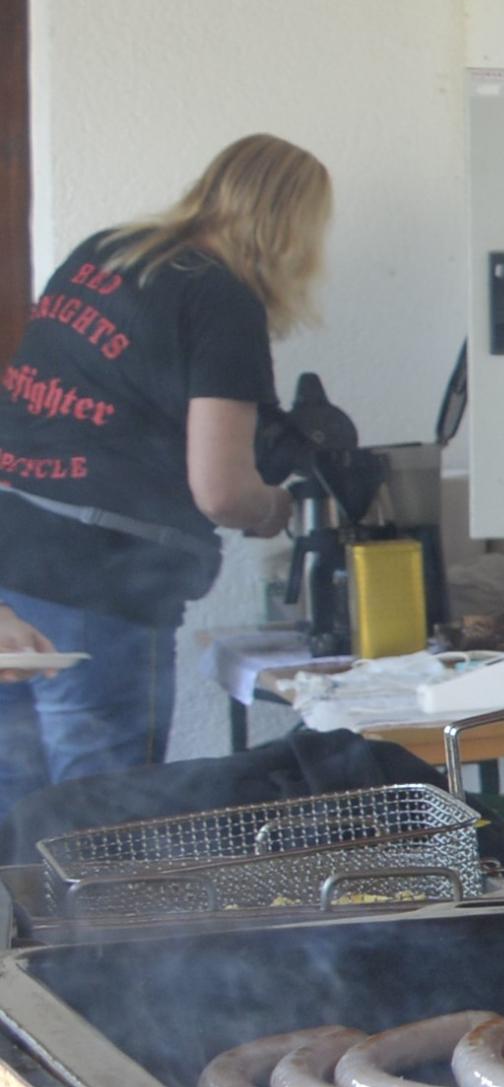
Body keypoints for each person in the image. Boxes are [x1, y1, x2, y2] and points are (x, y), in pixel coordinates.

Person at [0, 135, 329, 808]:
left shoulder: (107, 253)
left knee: (14, 811)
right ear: (291, 228)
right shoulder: (222, 299)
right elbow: (221, 491)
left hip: (11, 564)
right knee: (100, 824)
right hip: (103, 584)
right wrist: (274, 508)